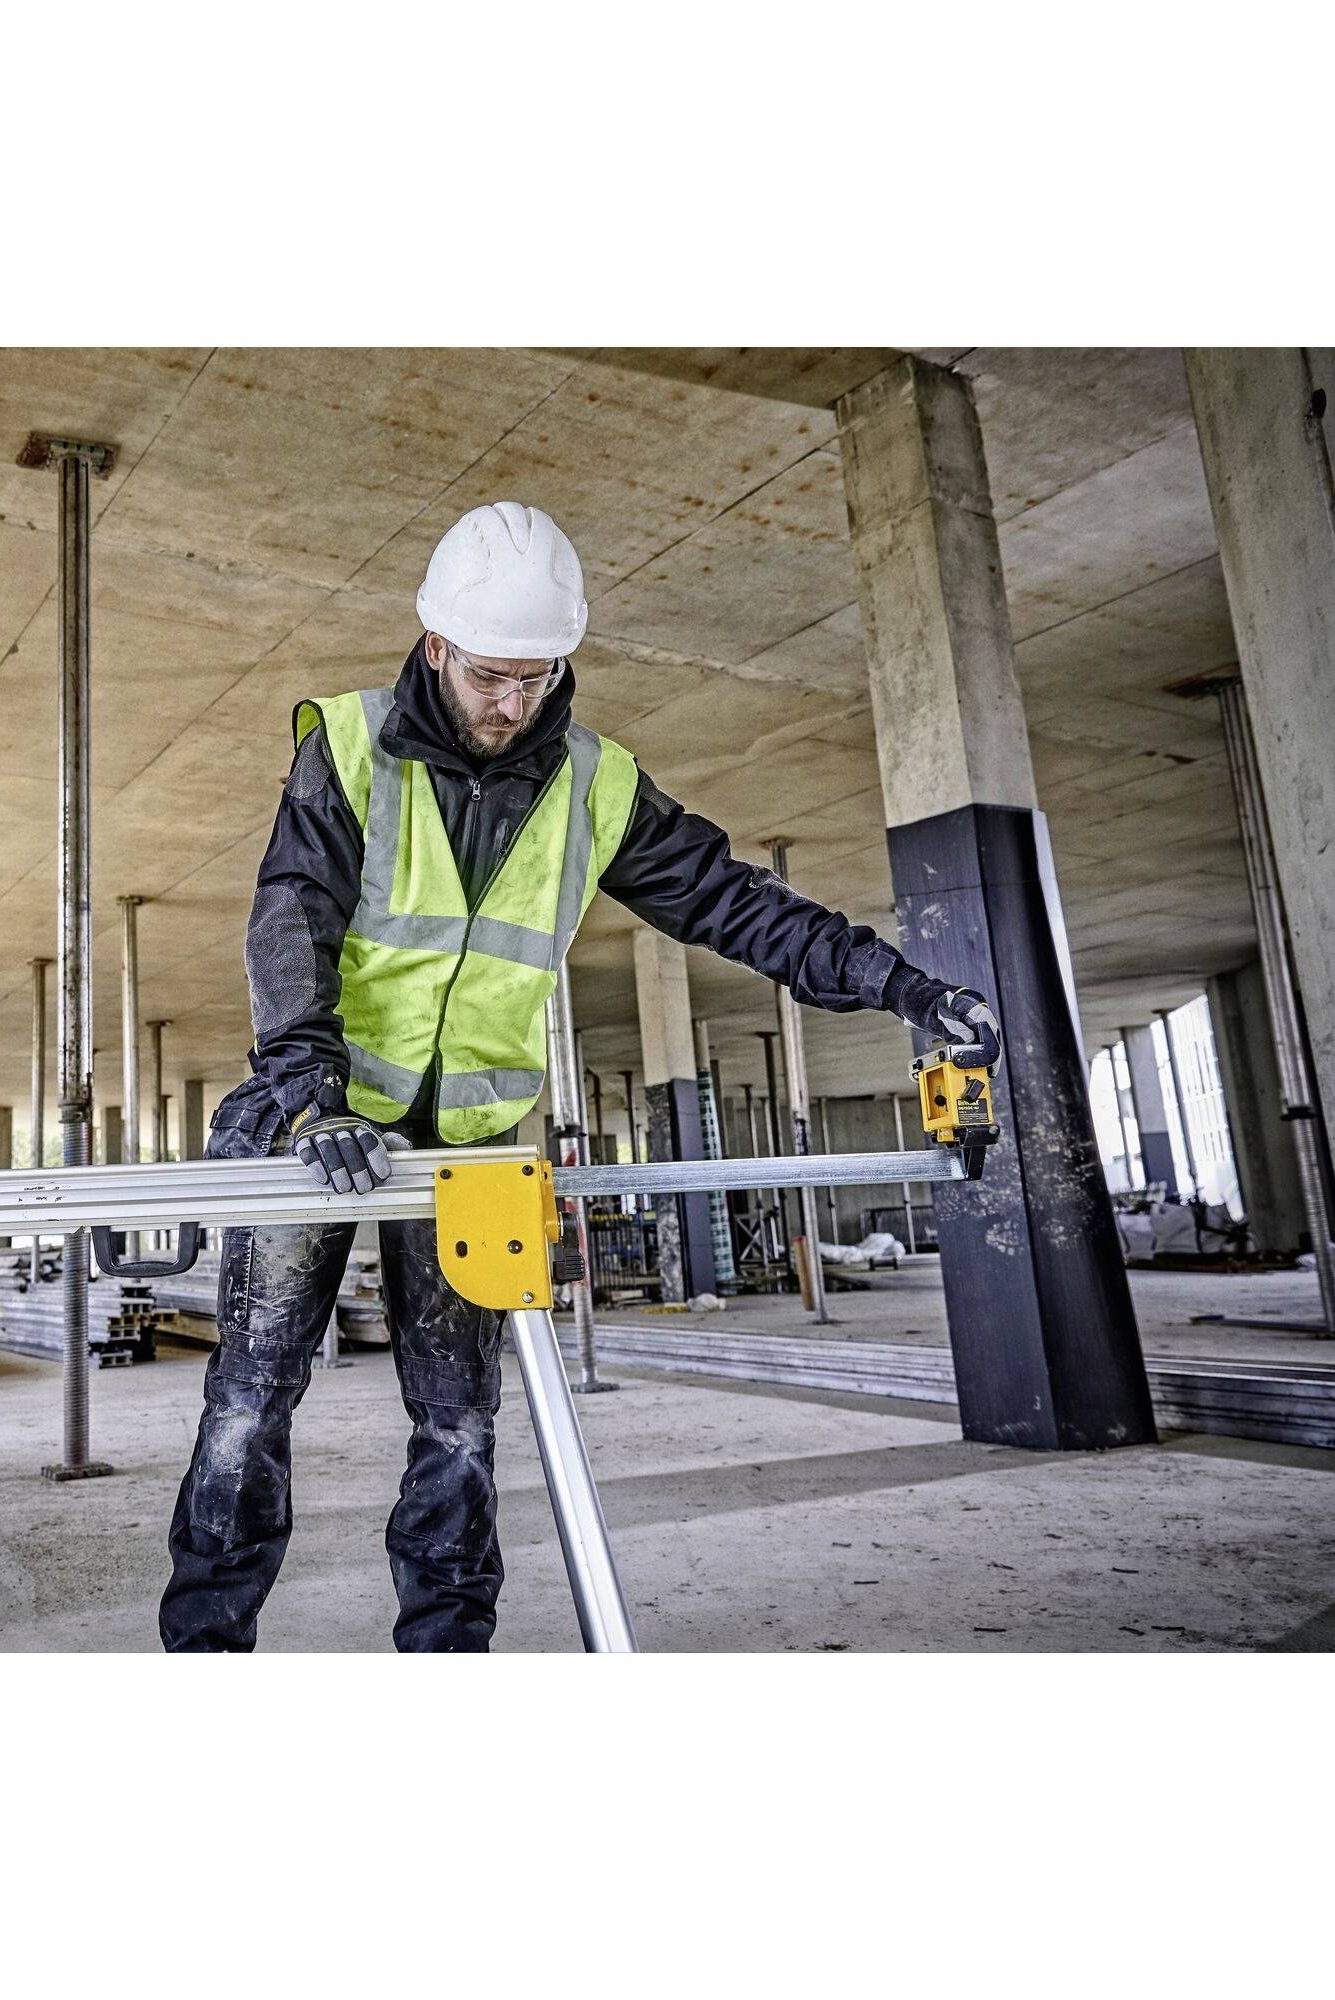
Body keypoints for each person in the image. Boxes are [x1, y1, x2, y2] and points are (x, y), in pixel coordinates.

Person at [158, 501, 1000, 1652]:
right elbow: (289, 916)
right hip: (324, 1126)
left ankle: (449, 1650)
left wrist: (897, 983)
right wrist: (304, 1087)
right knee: (247, 1406)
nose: (515, 704)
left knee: (458, 1423)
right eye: (493, 676)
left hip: (470, 1147)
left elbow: (733, 902)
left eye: (540, 677)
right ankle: (203, 1651)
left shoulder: (593, 781)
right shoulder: (349, 744)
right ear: (436, 647)